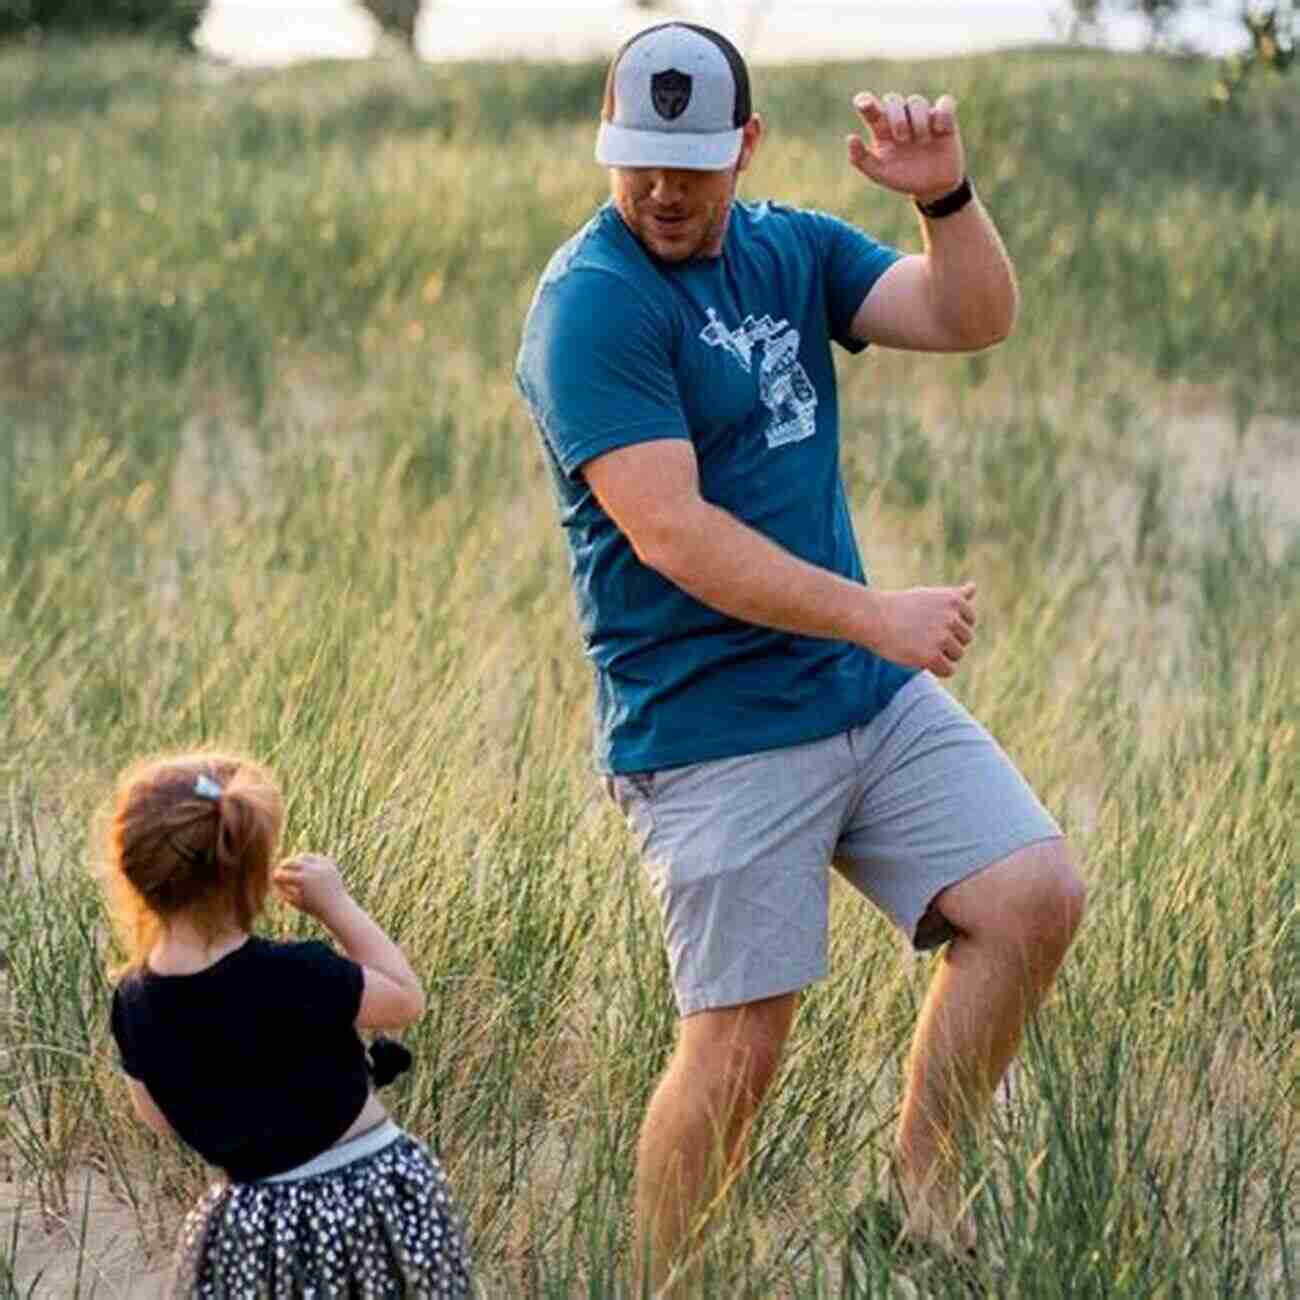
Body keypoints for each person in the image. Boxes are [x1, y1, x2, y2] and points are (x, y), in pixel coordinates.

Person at [515, 20, 1087, 1292]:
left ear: (746, 148)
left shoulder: (790, 248)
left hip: (856, 695)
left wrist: (945, 196)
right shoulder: (591, 306)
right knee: (737, 1046)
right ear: (608, 147)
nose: (662, 189)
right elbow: (672, 534)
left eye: (692, 162)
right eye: (637, 160)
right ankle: (660, 1284)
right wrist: (876, 615)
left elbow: (969, 316)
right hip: (707, 724)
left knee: (1031, 895)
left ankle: (921, 1190)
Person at [100, 751, 473, 1298]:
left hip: (248, 1226)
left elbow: (155, 1115)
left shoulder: (134, 1001)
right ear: (252, 875)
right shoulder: (296, 972)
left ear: (133, 871)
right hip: (370, 1196)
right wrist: (336, 905)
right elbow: (405, 1000)